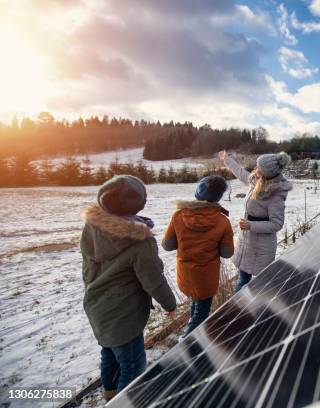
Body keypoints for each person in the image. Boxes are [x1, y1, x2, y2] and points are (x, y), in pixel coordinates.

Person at [80, 175, 176, 401]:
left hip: (96, 307)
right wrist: (169, 303)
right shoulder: (140, 240)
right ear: (138, 203)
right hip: (124, 315)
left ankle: (110, 396)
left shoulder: (92, 226)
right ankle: (126, 402)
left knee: (109, 356)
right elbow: (153, 279)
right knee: (132, 366)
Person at [162, 175, 234, 336]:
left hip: (185, 275)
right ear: (219, 197)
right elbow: (227, 253)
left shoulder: (178, 215)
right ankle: (188, 344)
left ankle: (188, 334)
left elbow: (167, 246)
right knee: (201, 314)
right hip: (206, 278)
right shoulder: (223, 221)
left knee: (195, 305)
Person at [219, 150, 292, 292]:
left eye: (259, 167)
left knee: (259, 285)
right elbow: (241, 173)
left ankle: (240, 310)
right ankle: (240, 310)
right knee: (243, 279)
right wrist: (227, 159)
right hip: (247, 241)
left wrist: (251, 225)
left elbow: (277, 224)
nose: (255, 169)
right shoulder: (256, 181)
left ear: (267, 174)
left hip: (261, 247)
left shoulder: (275, 194)